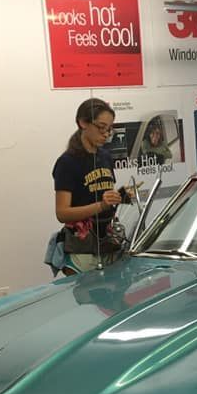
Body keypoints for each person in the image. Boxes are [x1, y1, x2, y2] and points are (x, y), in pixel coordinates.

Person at [52, 98, 133, 275]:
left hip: (107, 242)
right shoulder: (67, 162)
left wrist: (120, 196)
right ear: (83, 123)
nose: (105, 134)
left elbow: (101, 193)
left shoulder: (105, 157)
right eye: (101, 127)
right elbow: (62, 213)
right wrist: (100, 206)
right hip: (82, 248)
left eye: (109, 129)